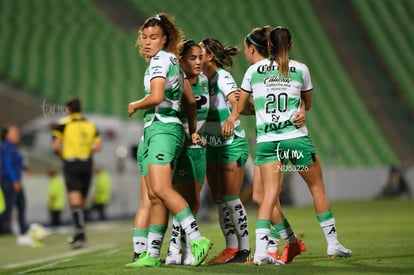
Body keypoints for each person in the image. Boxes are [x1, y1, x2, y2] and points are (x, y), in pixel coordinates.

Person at [226, 26, 352, 264]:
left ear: (269, 47)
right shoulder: (300, 69)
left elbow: (241, 107)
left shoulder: (253, 71)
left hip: (267, 141)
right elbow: (308, 103)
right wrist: (301, 110)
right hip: (294, 137)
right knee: (316, 189)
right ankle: (333, 244)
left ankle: (262, 252)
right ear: (290, 46)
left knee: (269, 196)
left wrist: (246, 112)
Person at [126, 13, 211, 268]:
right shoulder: (170, 60)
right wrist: (191, 130)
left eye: (153, 37)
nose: (147, 42)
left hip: (162, 128)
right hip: (156, 129)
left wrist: (135, 104)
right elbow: (189, 100)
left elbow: (156, 96)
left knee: (162, 190)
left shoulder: (160, 62)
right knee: (154, 195)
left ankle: (197, 239)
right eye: (144, 37)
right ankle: (151, 255)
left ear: (164, 39)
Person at [199, 37, 251, 263]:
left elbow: (237, 99)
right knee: (219, 199)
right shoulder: (201, 79)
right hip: (211, 145)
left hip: (231, 144)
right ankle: (230, 247)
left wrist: (231, 118)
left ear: (209, 56)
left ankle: (244, 249)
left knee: (230, 198)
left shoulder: (223, 76)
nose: (196, 56)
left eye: (200, 52)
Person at [165, 39, 210, 265]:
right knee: (182, 200)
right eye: (193, 58)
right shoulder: (175, 82)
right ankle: (176, 250)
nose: (198, 62)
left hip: (199, 148)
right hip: (181, 146)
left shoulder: (204, 80)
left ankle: (183, 250)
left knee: (194, 202)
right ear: (181, 60)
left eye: (200, 57)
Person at [52, 97, 102, 249]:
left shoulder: (62, 124)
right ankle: (80, 233)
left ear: (68, 110)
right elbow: (98, 146)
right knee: (83, 201)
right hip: (86, 163)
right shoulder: (90, 124)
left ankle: (80, 235)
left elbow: (55, 146)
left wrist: (64, 156)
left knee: (75, 200)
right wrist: (86, 150)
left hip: (71, 163)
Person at [0, 124, 32, 246]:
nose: (17, 134)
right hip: (10, 182)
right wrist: (14, 181)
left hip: (16, 181)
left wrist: (25, 168)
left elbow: (15, 163)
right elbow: (8, 165)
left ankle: (24, 234)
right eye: (14, 132)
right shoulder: (7, 147)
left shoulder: (13, 147)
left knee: (22, 206)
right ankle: (23, 233)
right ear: (7, 135)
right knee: (8, 210)